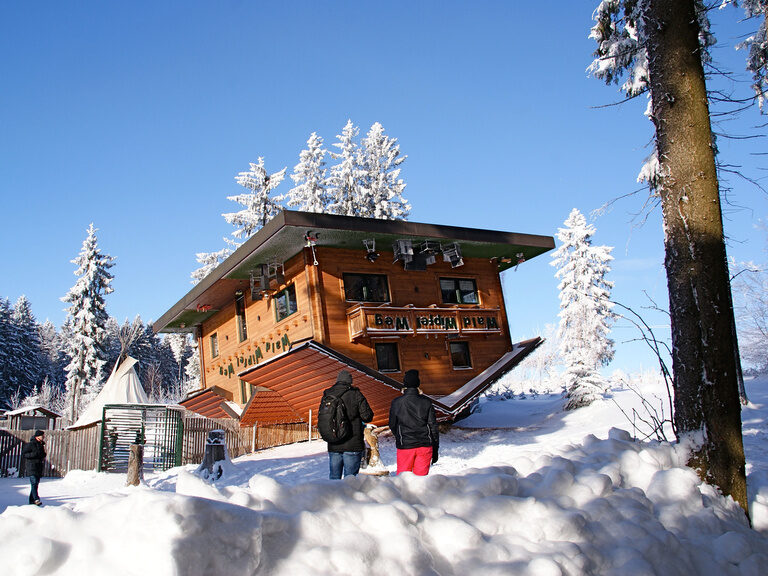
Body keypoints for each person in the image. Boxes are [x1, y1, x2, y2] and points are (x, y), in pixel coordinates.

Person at [322, 370, 373, 479]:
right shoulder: (355, 394)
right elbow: (367, 416)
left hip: (334, 442)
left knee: (334, 478)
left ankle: (334, 491)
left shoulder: (328, 394)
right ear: (350, 381)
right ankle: (348, 491)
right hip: (352, 442)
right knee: (350, 479)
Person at [388, 369, 439, 476]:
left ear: (405, 384)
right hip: (424, 445)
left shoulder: (397, 402)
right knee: (420, 480)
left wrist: (400, 436)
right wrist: (435, 448)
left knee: (403, 479)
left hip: (405, 445)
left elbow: (392, 424)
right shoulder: (426, 402)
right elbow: (433, 426)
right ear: (418, 384)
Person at [22, 429, 47, 505]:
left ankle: (31, 501)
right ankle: (36, 499)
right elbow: (24, 454)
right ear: (37, 436)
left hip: (38, 467)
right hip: (31, 466)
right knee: (34, 483)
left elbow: (41, 454)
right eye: (42, 436)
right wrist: (34, 455)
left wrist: (43, 455)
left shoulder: (41, 445)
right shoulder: (31, 444)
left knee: (35, 485)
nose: (43, 437)